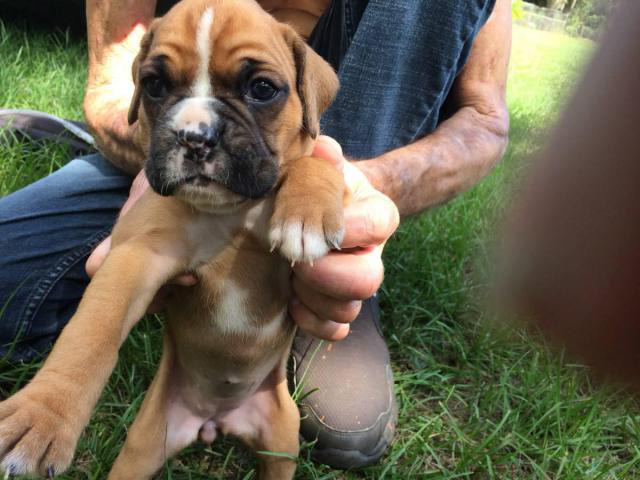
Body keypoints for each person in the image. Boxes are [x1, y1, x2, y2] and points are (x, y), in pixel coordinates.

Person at [0, 0, 510, 469]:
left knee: (348, 425)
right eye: (158, 86)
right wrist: (57, 393)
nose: (197, 132)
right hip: (158, 182)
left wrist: (343, 195)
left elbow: (486, 119)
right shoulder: (169, 84)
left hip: (318, 163)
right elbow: (114, 88)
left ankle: (329, 265)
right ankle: (81, 141)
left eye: (260, 89)